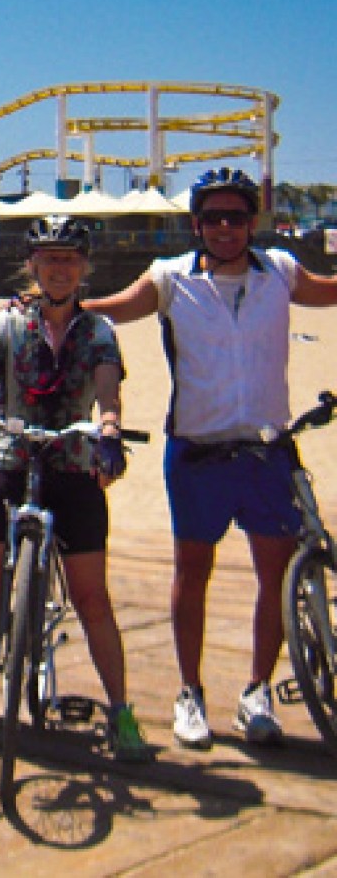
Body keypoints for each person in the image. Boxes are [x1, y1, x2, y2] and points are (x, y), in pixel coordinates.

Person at [82, 168, 337, 749]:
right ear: (196, 224)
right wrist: (59, 299)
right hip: (197, 452)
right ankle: (190, 692)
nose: (226, 228)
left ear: (253, 222)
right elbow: (117, 308)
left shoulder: (280, 271)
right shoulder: (172, 278)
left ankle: (257, 691)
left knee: (274, 576)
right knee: (192, 575)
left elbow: (330, 289)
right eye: (214, 218)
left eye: (237, 218)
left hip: (267, 450)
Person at [0, 216, 152, 763]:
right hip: (11, 459)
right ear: (32, 266)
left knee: (92, 597)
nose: (59, 268)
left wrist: (111, 431)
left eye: (69, 259)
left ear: (83, 268)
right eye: (49, 259)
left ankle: (122, 713)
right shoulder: (8, 324)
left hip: (72, 467)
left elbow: (106, 387)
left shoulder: (97, 330)